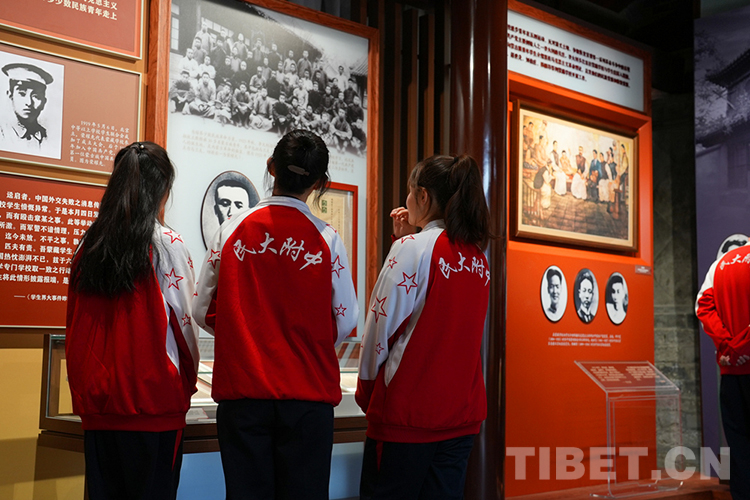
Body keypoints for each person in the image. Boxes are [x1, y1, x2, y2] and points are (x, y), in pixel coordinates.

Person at [193, 129, 358, 500]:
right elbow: (347, 320)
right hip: (308, 397)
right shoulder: (327, 238)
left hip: (244, 394)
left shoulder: (230, 229)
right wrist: (309, 340)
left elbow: (201, 309)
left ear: (271, 167)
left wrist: (241, 332)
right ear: (319, 182)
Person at [65, 141, 199, 500]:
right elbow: (185, 327)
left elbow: (74, 322)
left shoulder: (89, 244)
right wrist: (187, 385)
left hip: (99, 406)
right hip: (153, 404)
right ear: (164, 188)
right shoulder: (166, 244)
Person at [356, 154, 490, 500]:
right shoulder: (478, 257)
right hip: (461, 415)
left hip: (408, 417)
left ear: (424, 196)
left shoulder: (411, 249)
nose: (406, 200)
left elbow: (379, 332)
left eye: (410, 191)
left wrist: (367, 393)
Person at [696, 242, 750, 500]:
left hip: (731, 372)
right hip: (738, 360)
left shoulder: (721, 264)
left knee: (738, 445)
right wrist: (743, 347)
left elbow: (702, 306)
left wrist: (729, 347)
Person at [1, 63, 54, 148]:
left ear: (44, 102)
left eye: (36, 96)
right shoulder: (3, 132)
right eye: (22, 94)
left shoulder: (47, 136)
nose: (29, 103)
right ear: (10, 95)